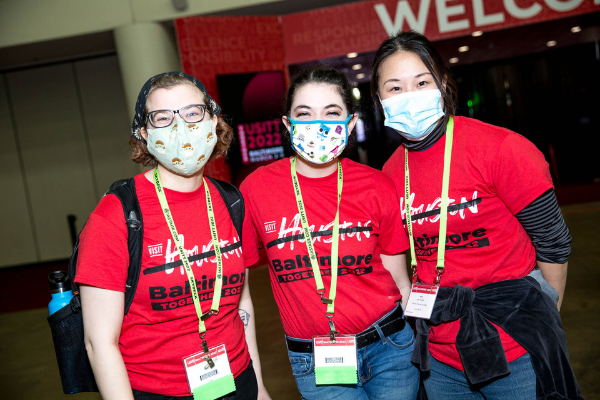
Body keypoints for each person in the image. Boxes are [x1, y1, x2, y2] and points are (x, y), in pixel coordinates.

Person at [372, 32, 582, 400]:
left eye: (421, 82)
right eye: (394, 88)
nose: (408, 96)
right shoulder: (390, 173)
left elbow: (553, 242)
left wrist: (542, 316)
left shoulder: (502, 148)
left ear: (442, 83)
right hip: (438, 356)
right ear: (379, 99)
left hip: (515, 346)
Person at [75, 72, 270, 400]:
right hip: (158, 391)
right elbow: (99, 343)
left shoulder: (231, 202)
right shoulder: (118, 214)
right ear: (143, 133)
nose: (181, 128)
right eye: (163, 118)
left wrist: (260, 386)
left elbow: (242, 302)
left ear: (213, 121)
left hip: (238, 380)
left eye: (193, 113)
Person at [240, 67, 419, 400]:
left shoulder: (376, 184)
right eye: (304, 114)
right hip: (315, 359)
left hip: (390, 346)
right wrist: (256, 383)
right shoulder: (256, 190)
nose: (316, 124)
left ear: (350, 125)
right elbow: (240, 296)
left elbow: (399, 280)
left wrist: (426, 348)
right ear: (287, 124)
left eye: (331, 113)